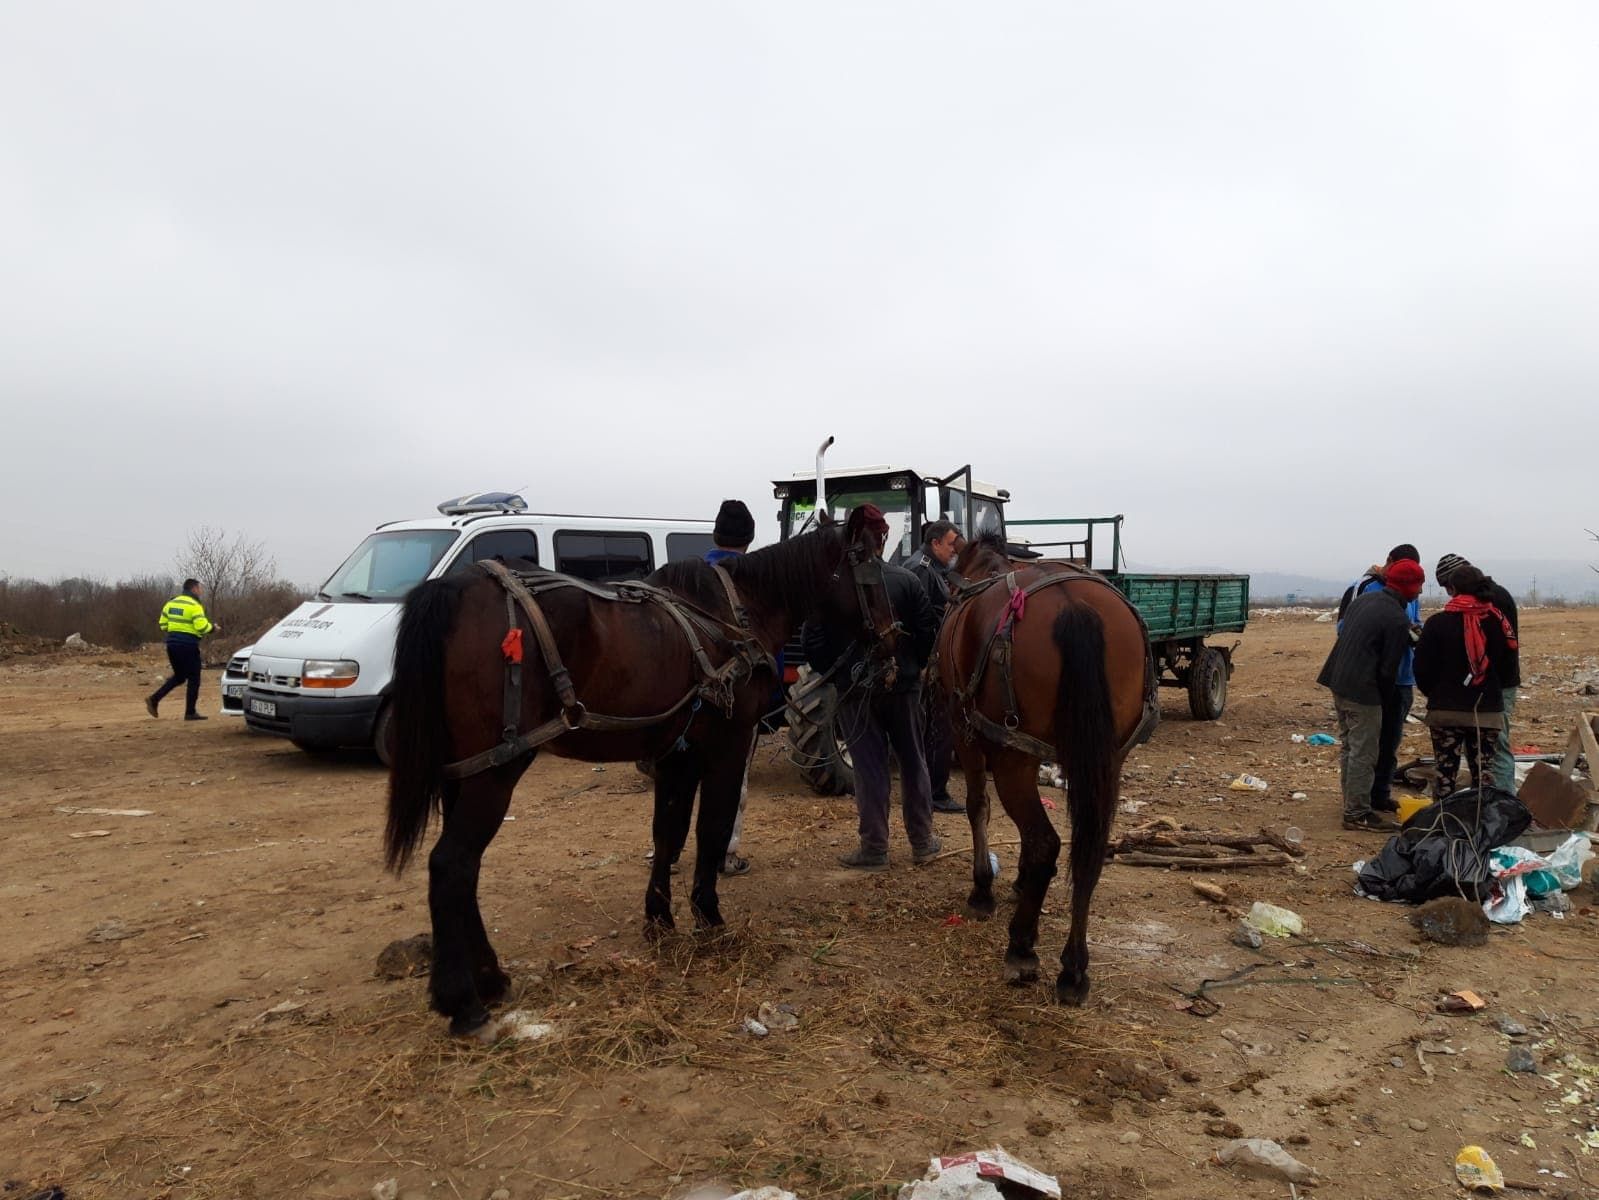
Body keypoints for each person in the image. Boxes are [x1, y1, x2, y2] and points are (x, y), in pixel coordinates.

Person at [802, 505, 941, 869]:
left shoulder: (830, 587)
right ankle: (922, 842)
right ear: (883, 538)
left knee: (868, 768)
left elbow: (812, 642)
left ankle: (875, 848)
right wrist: (912, 667)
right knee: (913, 762)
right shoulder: (906, 581)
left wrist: (838, 676)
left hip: (855, 692)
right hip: (904, 689)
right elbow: (928, 632)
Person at [1316, 559, 1424, 831]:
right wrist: (1385, 702)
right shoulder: (1397, 618)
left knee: (1350, 747)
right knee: (1364, 751)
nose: (1421, 592)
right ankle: (1357, 813)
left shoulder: (1365, 600)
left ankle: (1353, 802)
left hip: (1338, 681)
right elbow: (1388, 669)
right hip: (1363, 689)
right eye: (1418, 586)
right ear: (1408, 587)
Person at [1414, 565, 1516, 800]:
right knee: (1484, 778)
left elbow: (1422, 667)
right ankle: (1484, 819)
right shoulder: (1498, 621)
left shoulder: (1437, 623)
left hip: (1445, 711)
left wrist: (1436, 694)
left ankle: (1444, 820)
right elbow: (1506, 665)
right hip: (1486, 711)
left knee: (1445, 776)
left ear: (1452, 589)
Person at [706, 499, 759, 875]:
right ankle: (725, 853)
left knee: (680, 777)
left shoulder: (688, 575)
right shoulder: (753, 581)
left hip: (688, 698)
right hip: (737, 697)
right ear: (750, 538)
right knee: (733, 777)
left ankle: (667, 853)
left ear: (715, 535)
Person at [909, 519, 964, 814]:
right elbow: (917, 620)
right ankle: (935, 793)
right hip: (928, 662)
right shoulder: (922, 569)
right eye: (951, 543)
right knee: (936, 728)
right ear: (935, 543)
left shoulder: (933, 569)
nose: (955, 550)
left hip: (931, 658)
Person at [146, 578, 219, 720]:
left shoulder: (171, 603)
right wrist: (213, 628)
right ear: (194, 589)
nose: (201, 591)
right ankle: (190, 712)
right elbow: (201, 626)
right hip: (188, 645)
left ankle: (154, 699)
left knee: (179, 677)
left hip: (172, 645)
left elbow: (163, 624)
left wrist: (176, 631)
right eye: (199, 588)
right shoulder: (195, 605)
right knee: (194, 678)